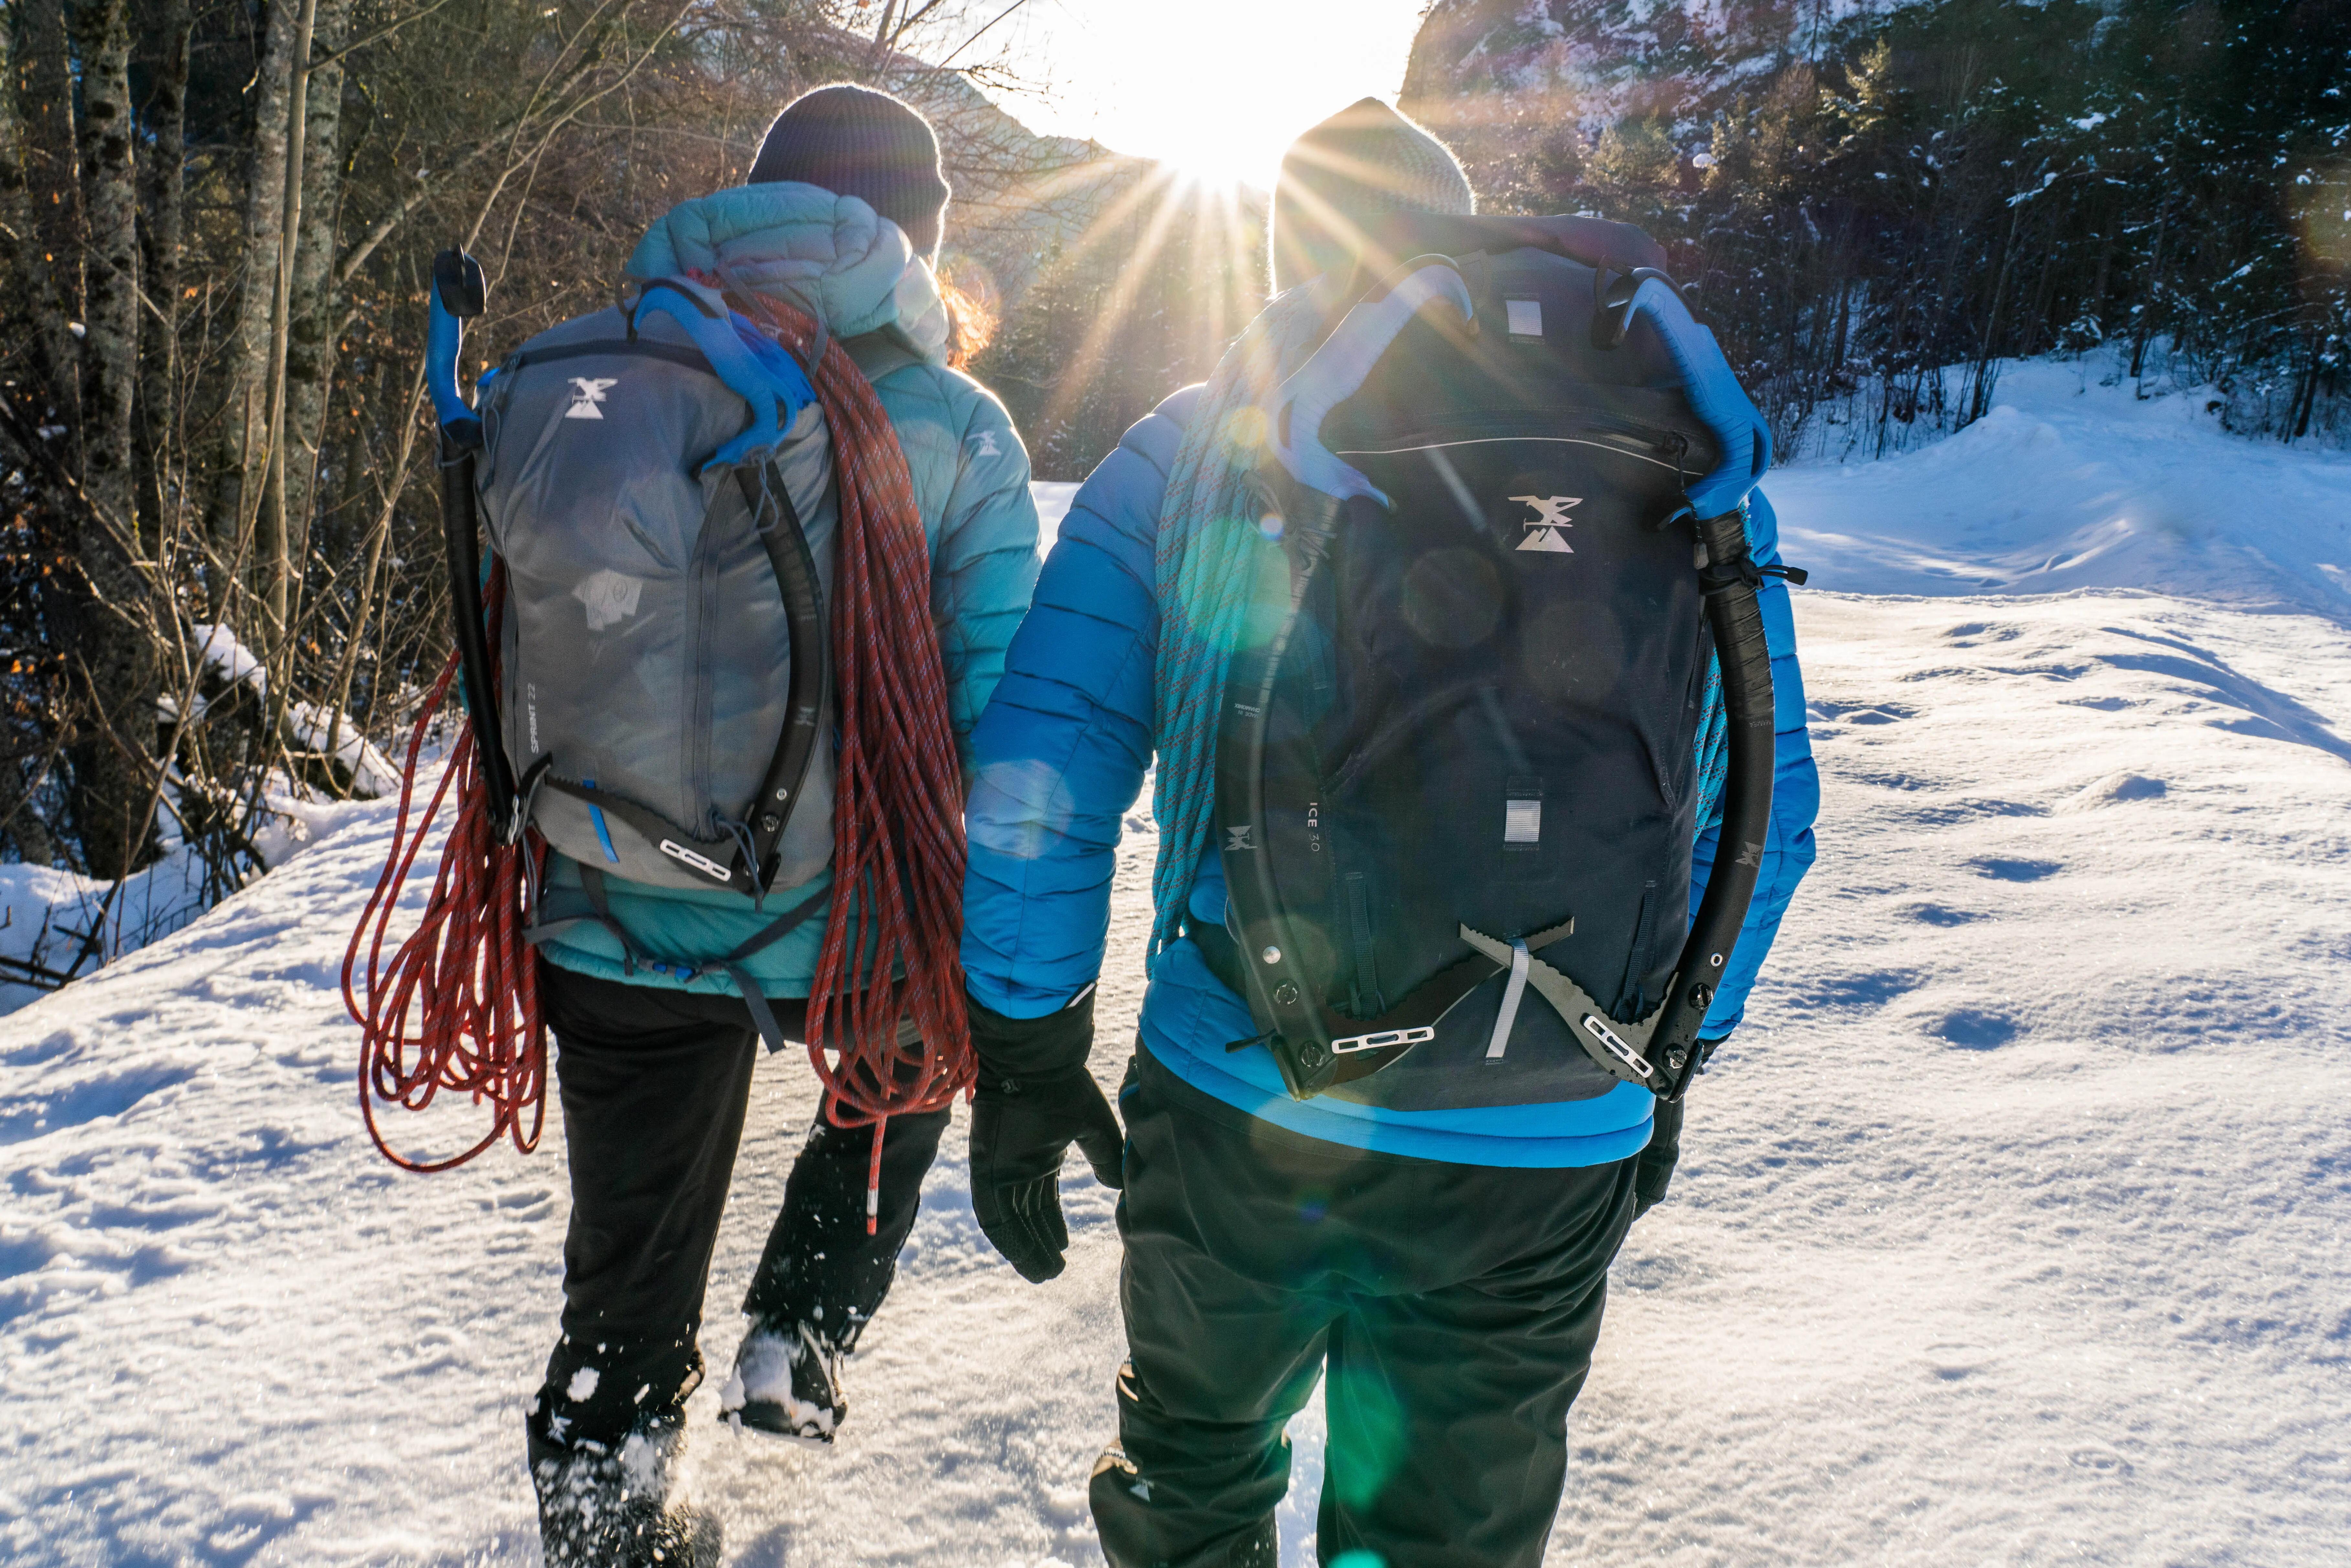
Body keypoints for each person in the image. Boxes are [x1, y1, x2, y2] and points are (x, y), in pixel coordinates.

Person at [957, 99, 1820, 1566]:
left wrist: (1031, 1050)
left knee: (1201, 1463)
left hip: (1250, 1083)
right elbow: (1772, 806)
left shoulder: (1200, 442)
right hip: (1554, 1118)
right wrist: (1662, 1066)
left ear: (1302, 252)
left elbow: (1042, 770)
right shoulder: (1657, 454)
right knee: (1444, 1532)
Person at [514, 84, 1040, 1564]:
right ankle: (802, 1325)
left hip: (611, 897)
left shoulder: (599, 385)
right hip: (851, 918)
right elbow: (1005, 728)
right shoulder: (954, 426)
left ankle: (609, 1526)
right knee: (913, 1059)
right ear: (915, 238)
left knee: (619, 1297)